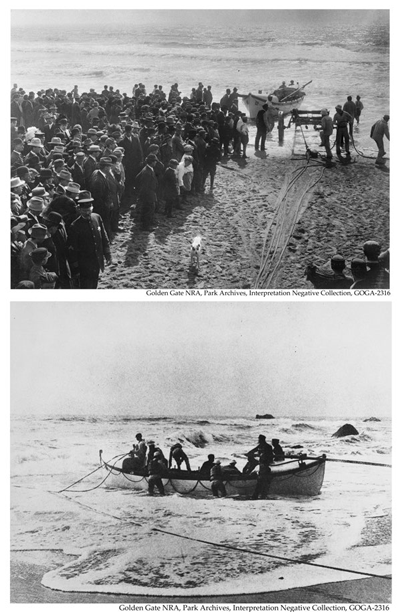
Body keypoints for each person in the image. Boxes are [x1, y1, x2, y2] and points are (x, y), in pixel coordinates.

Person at [67, 190, 111, 289]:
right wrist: (76, 268)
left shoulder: (97, 218)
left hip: (97, 261)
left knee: (94, 282)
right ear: (79, 209)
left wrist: (107, 254)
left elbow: (103, 237)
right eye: (84, 211)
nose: (87, 213)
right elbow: (72, 249)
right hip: (84, 265)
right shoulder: (74, 226)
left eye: (89, 210)